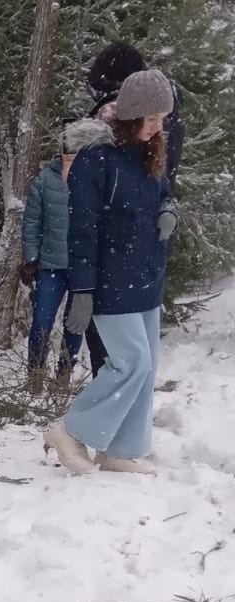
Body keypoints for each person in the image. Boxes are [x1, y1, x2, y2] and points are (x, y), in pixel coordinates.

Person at [43, 69, 175, 475]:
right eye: (151, 118)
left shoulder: (148, 155)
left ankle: (120, 448)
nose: (157, 127)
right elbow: (82, 230)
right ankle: (69, 430)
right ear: (132, 115)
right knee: (130, 361)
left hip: (146, 276)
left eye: (161, 119)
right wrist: (82, 289)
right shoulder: (95, 161)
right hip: (110, 280)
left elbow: (164, 193)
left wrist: (170, 209)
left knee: (147, 363)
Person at [83, 42, 184, 377]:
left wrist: (166, 208)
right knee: (133, 363)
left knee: (130, 363)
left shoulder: (129, 127)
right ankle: (103, 424)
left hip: (123, 248)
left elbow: (160, 183)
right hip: (134, 247)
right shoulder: (109, 130)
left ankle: (91, 425)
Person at [19, 117, 113, 386]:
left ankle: (63, 373)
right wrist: (31, 257)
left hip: (83, 269)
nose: (70, 157)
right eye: (67, 150)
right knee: (41, 322)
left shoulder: (97, 180)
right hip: (51, 265)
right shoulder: (47, 178)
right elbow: (32, 220)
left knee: (75, 326)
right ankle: (34, 375)